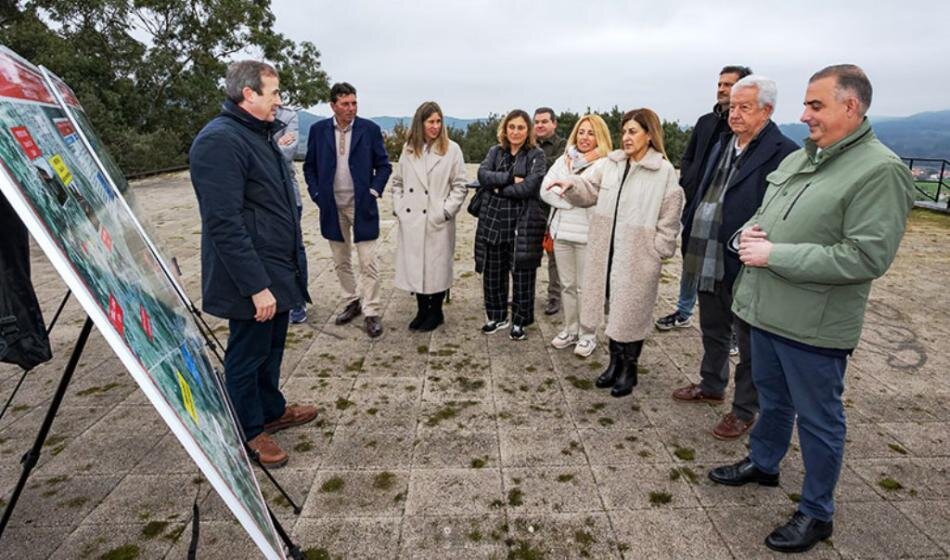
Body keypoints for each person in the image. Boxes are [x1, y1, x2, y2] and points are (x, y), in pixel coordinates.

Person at [708, 65, 915, 553]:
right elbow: (764, 216)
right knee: (773, 402)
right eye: (805, 105)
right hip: (765, 311)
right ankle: (764, 463)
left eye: (815, 106)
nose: (804, 116)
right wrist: (746, 236)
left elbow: (866, 256)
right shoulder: (807, 158)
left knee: (820, 420)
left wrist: (775, 254)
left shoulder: (879, 170)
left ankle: (817, 511)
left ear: (851, 106)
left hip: (814, 326)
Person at [190, 60, 317, 468]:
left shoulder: (258, 134)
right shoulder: (220, 141)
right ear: (248, 94)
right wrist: (255, 286)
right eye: (273, 93)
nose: (279, 101)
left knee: (271, 348)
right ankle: (247, 429)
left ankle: (270, 410)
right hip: (252, 278)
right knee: (247, 354)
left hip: (277, 268)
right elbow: (223, 223)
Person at [671, 76, 798, 440]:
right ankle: (711, 385)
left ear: (767, 111)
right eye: (733, 107)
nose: (735, 114)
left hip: (746, 261)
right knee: (712, 327)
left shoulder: (783, 152)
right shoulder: (723, 144)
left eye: (745, 108)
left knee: (749, 342)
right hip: (707, 255)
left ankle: (744, 410)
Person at [549, 109, 684, 397]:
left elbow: (670, 215)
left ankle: (629, 370)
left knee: (631, 312)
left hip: (638, 255)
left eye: (633, 131)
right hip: (606, 250)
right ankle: (613, 363)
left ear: (649, 134)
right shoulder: (610, 165)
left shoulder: (663, 171)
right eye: (624, 131)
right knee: (611, 307)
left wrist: (658, 249)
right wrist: (570, 184)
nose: (626, 137)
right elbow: (588, 190)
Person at [655, 65, 752, 334]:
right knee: (691, 259)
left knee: (728, 270)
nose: (721, 88)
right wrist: (690, 182)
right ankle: (684, 311)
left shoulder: (745, 127)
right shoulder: (705, 122)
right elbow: (688, 157)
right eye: (720, 84)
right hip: (697, 204)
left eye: (728, 84)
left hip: (728, 212)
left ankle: (731, 328)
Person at [303, 82, 392, 338]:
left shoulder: (370, 129)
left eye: (354, 103)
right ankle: (351, 301)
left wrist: (373, 191)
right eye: (345, 104)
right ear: (333, 105)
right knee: (341, 261)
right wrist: (317, 194)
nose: (351, 108)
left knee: (368, 262)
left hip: (361, 206)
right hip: (331, 207)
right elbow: (309, 167)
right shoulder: (319, 131)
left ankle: (372, 310)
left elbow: (383, 166)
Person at [391, 101, 468, 331]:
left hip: (436, 219)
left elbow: (460, 185)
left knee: (436, 268)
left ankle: (436, 311)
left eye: (438, 121)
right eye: (430, 122)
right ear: (420, 123)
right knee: (416, 267)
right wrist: (400, 206)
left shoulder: (451, 149)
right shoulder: (409, 148)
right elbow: (397, 182)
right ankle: (421, 309)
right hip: (412, 218)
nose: (435, 126)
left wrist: (445, 211)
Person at [539, 114, 612, 357]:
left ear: (599, 136)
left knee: (586, 288)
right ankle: (570, 329)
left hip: (587, 236)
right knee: (567, 286)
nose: (585, 137)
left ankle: (588, 334)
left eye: (591, 133)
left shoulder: (605, 164)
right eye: (581, 132)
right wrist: (571, 202)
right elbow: (545, 189)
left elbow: (597, 197)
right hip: (562, 233)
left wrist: (566, 197)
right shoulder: (565, 159)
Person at [474, 109, 547, 340]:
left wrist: (497, 189)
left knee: (523, 275)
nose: (516, 132)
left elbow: (530, 187)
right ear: (505, 129)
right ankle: (496, 316)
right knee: (493, 274)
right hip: (494, 221)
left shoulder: (537, 155)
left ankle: (519, 321)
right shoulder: (495, 152)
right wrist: (508, 179)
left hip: (522, 225)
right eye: (512, 127)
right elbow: (483, 174)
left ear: (529, 131)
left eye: (521, 127)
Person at [273, 105, 308, 324]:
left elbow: (289, 152)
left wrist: (259, 149)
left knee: (293, 248)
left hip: (288, 196)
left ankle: (298, 303)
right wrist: (276, 144)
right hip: (259, 197)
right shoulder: (243, 116)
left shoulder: (288, 115)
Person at [534, 107, 566, 316]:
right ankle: (523, 293)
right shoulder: (529, 144)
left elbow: (557, 170)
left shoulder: (564, 146)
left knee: (555, 256)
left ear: (554, 123)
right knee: (525, 255)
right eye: (536, 122)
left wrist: (534, 161)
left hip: (554, 209)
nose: (540, 125)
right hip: (531, 207)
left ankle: (555, 297)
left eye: (544, 121)